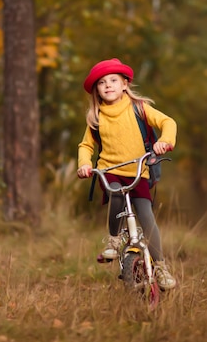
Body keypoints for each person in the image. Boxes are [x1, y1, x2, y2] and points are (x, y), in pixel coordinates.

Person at [77, 58, 177, 290]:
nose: (108, 85)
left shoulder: (139, 108)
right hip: (109, 171)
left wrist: (165, 141)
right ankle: (115, 238)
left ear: (125, 84)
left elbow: (167, 121)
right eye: (102, 83)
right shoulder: (96, 117)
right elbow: (86, 146)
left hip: (138, 172)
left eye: (113, 80)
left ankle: (160, 266)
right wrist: (84, 164)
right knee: (117, 197)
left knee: (146, 216)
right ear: (97, 91)